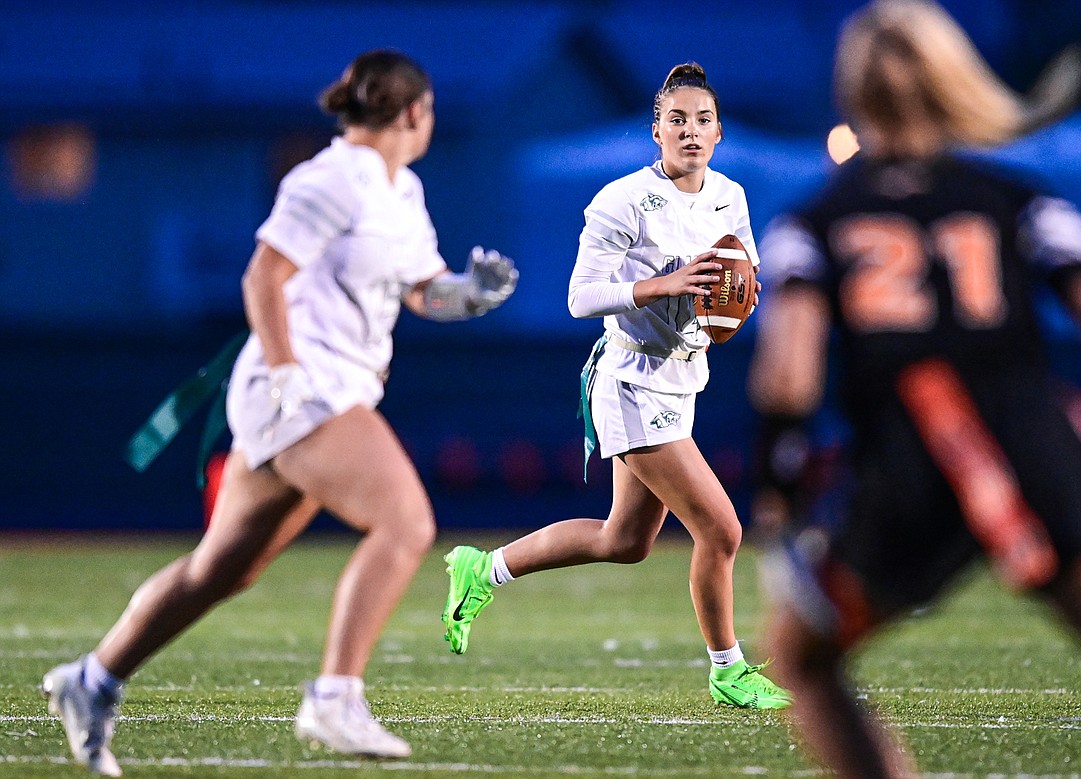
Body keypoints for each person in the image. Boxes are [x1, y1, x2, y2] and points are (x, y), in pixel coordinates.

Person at [41, 49, 518, 776]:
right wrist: (290, 370)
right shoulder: (329, 176)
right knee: (406, 521)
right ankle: (334, 694)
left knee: (220, 570)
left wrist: (470, 295)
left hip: (331, 385)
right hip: (298, 383)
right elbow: (263, 273)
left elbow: (425, 291)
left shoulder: (403, 190)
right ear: (415, 111)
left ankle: (92, 679)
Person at [747, 1, 1081, 775]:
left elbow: (789, 370)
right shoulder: (1019, 199)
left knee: (803, 656)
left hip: (915, 456)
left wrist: (779, 487)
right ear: (951, 80)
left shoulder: (814, 221)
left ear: (853, 93)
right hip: (1038, 438)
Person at [439, 62, 790, 710]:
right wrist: (664, 284)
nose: (690, 130)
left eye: (702, 120)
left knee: (624, 541)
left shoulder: (730, 196)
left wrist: (734, 300)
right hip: (630, 382)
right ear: (655, 130)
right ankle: (727, 669)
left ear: (718, 132)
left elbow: (736, 286)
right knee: (723, 530)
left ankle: (480, 569)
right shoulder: (621, 199)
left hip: (682, 378)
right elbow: (579, 298)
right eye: (676, 119)